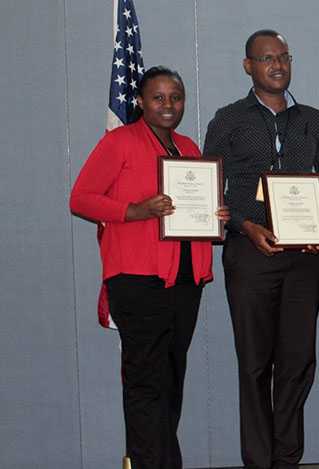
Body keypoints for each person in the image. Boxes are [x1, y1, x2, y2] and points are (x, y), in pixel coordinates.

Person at [70, 66, 228, 469]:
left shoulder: (189, 148)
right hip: (137, 279)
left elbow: (196, 213)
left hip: (186, 278)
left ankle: (163, 460)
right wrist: (135, 210)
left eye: (175, 97)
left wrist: (215, 219)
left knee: (172, 377)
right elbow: (82, 198)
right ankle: (147, 462)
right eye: (158, 97)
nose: (168, 105)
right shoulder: (119, 142)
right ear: (140, 101)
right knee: (145, 380)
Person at [203, 30, 319, 469]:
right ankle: (258, 461)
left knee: (298, 361)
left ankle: (287, 459)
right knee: (255, 364)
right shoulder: (228, 119)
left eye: (283, 56)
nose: (276, 65)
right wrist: (246, 224)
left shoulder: (312, 118)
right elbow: (211, 188)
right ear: (249, 66)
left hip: (305, 258)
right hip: (250, 254)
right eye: (266, 58)